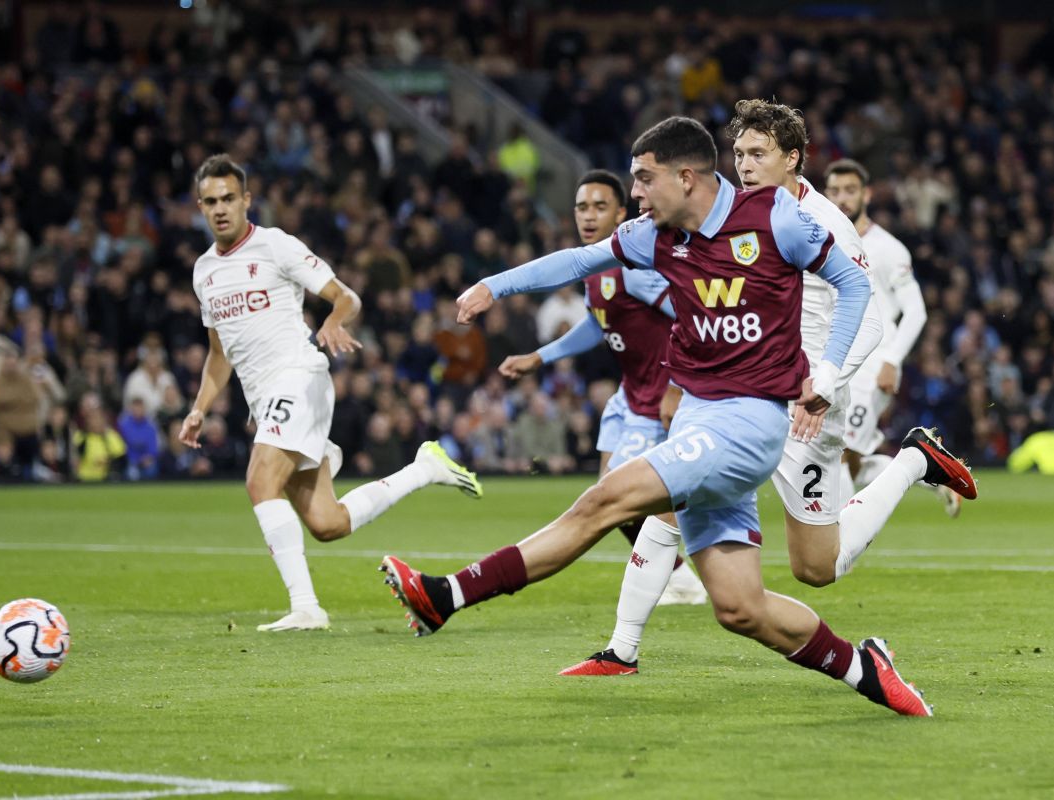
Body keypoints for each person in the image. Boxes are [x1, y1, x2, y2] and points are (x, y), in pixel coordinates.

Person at [381, 116, 933, 717]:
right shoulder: (655, 236)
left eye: (644, 180)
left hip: (748, 425)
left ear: (686, 177)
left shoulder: (776, 218)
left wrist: (827, 373)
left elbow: (854, 286)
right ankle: (865, 668)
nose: (636, 195)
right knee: (740, 607)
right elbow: (576, 262)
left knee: (604, 500)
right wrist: (495, 285)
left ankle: (447, 595)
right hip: (699, 419)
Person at [560, 101, 978, 677]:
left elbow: (874, 322)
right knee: (672, 503)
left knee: (817, 568)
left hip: (811, 402)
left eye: (759, 154)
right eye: (739, 153)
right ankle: (620, 650)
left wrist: (824, 386)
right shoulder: (729, 212)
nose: (746, 165)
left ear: (793, 159)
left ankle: (912, 461)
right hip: (745, 395)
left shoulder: (826, 224)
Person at [179, 154, 484, 632]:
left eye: (229, 199)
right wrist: (199, 409)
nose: (221, 209)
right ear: (200, 206)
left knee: (261, 481)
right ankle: (425, 470)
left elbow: (347, 296)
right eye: (211, 202)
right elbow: (220, 355)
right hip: (266, 399)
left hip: (299, 376)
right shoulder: (204, 273)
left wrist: (333, 320)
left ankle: (306, 607)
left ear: (246, 201)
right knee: (326, 523)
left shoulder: (275, 246)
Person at [498, 169, 706, 604]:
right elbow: (600, 323)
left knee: (620, 498)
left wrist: (677, 387)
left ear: (621, 213)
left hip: (657, 399)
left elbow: (692, 315)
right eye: (581, 207)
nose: (589, 216)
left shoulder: (634, 266)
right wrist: (541, 356)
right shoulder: (598, 266)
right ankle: (678, 575)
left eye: (599, 207)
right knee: (611, 497)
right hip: (629, 395)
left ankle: (682, 577)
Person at [822, 159, 958, 516]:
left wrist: (892, 360)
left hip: (873, 363)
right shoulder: (821, 242)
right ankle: (928, 471)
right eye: (834, 191)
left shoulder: (888, 248)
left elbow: (917, 311)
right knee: (839, 452)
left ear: (866, 194)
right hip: (834, 361)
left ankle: (840, 533)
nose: (842, 199)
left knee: (842, 450)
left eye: (850, 190)